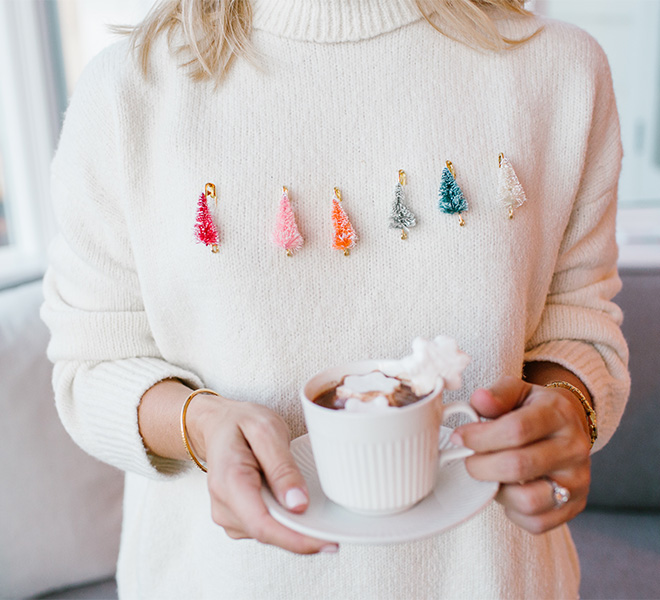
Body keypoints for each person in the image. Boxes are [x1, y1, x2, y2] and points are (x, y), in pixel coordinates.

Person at [41, 0, 630, 597]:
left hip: (495, 580)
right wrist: (201, 425)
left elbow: (579, 324)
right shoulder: (128, 92)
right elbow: (92, 364)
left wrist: (569, 407)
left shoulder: (559, 70)